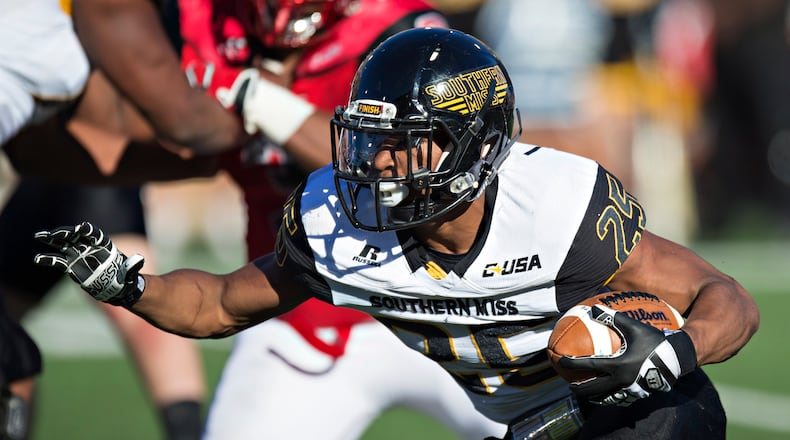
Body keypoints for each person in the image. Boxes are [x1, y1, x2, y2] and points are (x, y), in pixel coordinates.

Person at [32, 27, 759, 439]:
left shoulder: (557, 203)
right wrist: (131, 286)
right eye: (369, 140)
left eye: (405, 142)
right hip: (514, 423)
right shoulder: (336, 218)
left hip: (625, 416)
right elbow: (222, 303)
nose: (377, 165)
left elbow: (725, 298)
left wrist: (675, 352)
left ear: (472, 143)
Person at [178, 0, 506, 438]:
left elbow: (407, 168)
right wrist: (188, 116)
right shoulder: (203, 19)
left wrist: (253, 96)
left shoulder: (398, 29)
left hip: (442, 304)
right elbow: (163, 148)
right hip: (302, 309)